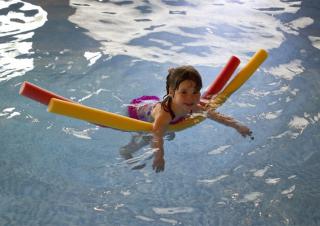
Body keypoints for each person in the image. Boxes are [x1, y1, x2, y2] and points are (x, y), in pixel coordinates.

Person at [121, 65, 252, 173]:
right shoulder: (164, 114)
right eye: (184, 92)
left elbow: (215, 115)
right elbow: (157, 136)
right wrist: (159, 157)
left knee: (167, 131)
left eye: (195, 92)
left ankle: (168, 128)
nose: (190, 98)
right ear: (172, 93)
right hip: (139, 115)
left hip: (152, 105)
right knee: (147, 139)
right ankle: (126, 152)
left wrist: (238, 126)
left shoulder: (193, 105)